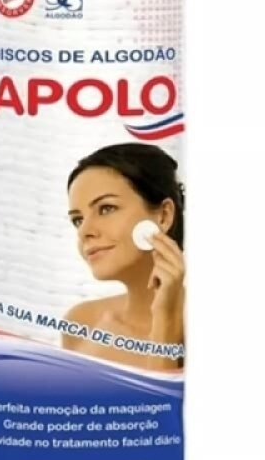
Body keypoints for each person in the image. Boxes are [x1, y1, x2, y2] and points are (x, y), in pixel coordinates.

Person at [63, 143, 185, 372]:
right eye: (78, 220)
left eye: (106, 208)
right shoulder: (80, 323)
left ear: (163, 216)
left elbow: (158, 396)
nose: (84, 231)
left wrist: (164, 319)